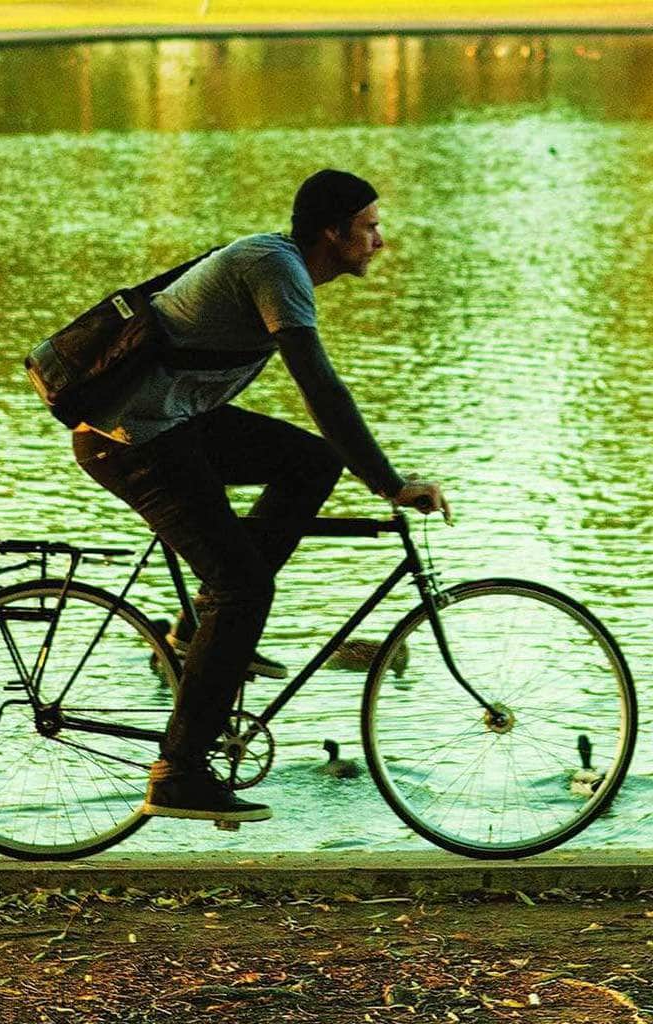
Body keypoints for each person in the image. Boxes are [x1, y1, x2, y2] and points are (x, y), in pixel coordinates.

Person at [71, 169, 451, 824]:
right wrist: (390, 483)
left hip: (170, 424)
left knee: (312, 463)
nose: (380, 241)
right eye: (369, 227)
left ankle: (201, 629)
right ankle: (179, 772)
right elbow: (321, 387)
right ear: (332, 233)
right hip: (128, 437)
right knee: (242, 588)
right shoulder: (276, 268)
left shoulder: (278, 264)